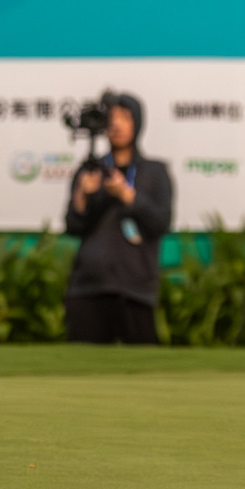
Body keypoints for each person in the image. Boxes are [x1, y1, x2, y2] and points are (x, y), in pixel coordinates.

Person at [63, 94, 174, 344]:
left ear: (137, 122)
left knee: (142, 362)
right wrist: (83, 196)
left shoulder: (154, 172)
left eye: (125, 117)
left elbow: (161, 223)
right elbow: (72, 225)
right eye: (111, 118)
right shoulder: (90, 170)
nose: (117, 125)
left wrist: (127, 195)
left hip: (135, 289)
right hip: (89, 287)